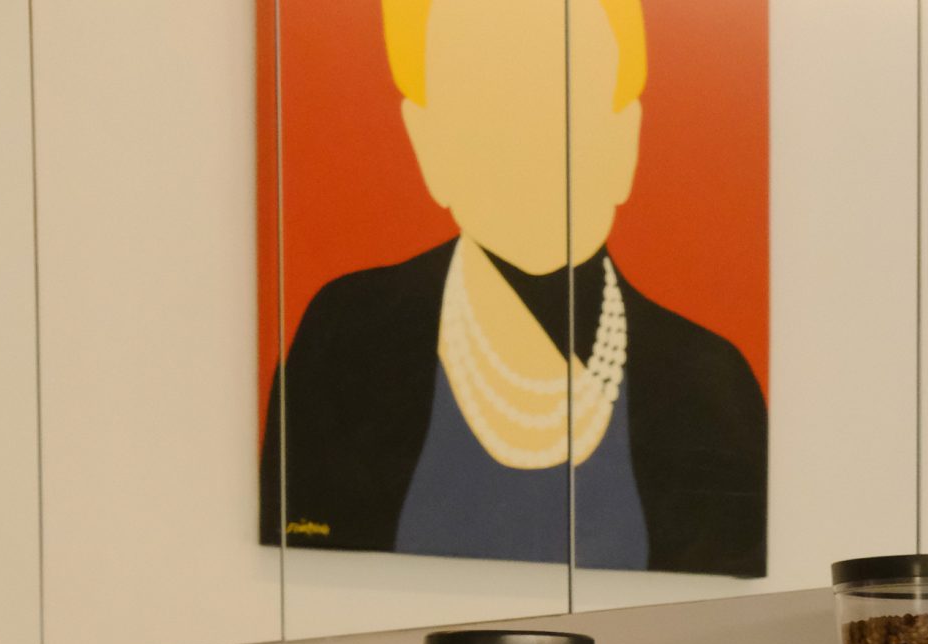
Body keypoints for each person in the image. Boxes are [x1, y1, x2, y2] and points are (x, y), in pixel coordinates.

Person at [262, 0, 768, 576]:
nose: (532, 150)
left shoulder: (710, 387)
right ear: (427, 143)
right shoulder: (346, 340)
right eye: (487, 111)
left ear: (625, 138)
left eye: (568, 108)